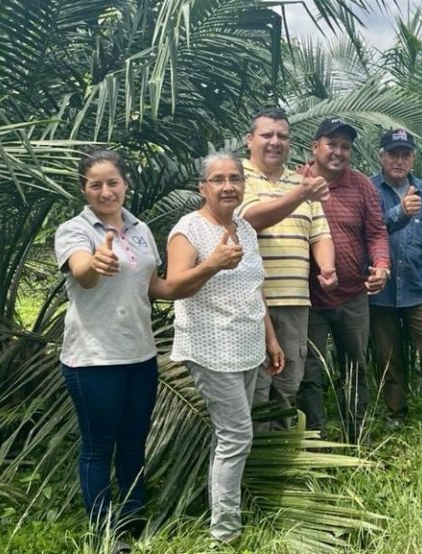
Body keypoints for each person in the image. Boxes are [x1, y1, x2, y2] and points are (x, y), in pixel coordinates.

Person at [54, 148, 178, 541]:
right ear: (84, 189)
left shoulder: (140, 230)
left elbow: (155, 286)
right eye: (96, 185)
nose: (105, 191)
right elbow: (83, 273)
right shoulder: (74, 230)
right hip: (93, 358)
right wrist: (96, 263)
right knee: (98, 446)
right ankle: (107, 531)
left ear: (125, 184)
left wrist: (208, 269)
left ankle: (133, 518)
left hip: (140, 355)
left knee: (133, 442)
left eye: (113, 182)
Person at [168, 152, 284, 544]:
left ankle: (220, 510)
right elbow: (174, 287)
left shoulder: (246, 230)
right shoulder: (188, 230)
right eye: (218, 179)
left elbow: (255, 290)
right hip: (210, 347)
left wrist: (270, 337)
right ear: (203, 188)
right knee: (237, 436)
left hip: (248, 345)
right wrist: (212, 264)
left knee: (227, 436)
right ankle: (225, 532)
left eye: (235, 178)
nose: (228, 186)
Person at [237, 108, 337, 431]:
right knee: (255, 384)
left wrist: (327, 267)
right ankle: (253, 461)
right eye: (267, 135)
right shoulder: (236, 176)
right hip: (252, 300)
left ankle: (276, 459)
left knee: (287, 383)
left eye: (282, 136)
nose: (275, 142)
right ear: (249, 139)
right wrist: (301, 193)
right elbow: (250, 218)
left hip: (295, 300)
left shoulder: (301, 182)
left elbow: (320, 233)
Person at [295, 117, 390, 443]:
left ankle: (357, 436)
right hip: (308, 301)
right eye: (331, 144)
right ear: (315, 147)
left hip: (353, 297)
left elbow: (376, 232)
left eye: (345, 147)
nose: (338, 152)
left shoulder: (362, 184)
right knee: (309, 372)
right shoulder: (296, 184)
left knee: (355, 367)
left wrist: (381, 265)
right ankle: (314, 441)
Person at [368, 129, 422, 433]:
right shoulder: (368, 189)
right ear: (381, 156)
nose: (399, 160)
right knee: (388, 356)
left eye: (405, 154)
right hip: (381, 290)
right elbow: (368, 232)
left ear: (413, 159)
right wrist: (399, 213)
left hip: (419, 289)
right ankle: (396, 413)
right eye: (393, 153)